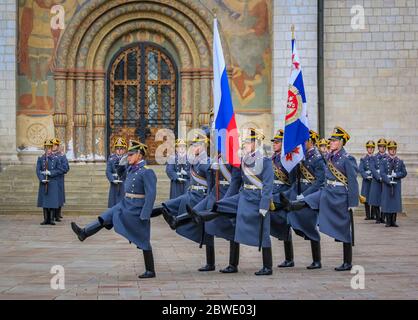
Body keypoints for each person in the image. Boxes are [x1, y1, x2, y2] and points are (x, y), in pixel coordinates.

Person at [70, 140, 158, 279]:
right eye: (127, 155)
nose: (128, 157)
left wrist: (145, 213)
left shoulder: (147, 172)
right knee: (106, 215)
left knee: (143, 239)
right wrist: (123, 163)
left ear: (139, 155)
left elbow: (151, 194)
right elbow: (121, 175)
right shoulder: (131, 168)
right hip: (125, 203)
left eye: (130, 155)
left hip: (136, 208)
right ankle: (84, 233)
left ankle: (150, 270)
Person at [283, 127, 359, 271]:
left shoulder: (347, 158)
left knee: (344, 229)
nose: (331, 142)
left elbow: (353, 181)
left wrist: (353, 202)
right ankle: (292, 205)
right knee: (311, 199)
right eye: (331, 140)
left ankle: (347, 262)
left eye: (334, 141)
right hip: (327, 190)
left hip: (340, 195)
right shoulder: (330, 156)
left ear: (341, 142)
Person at [154, 131, 215, 271]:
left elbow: (212, 186)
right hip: (190, 194)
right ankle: (157, 217)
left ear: (204, 145)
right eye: (192, 145)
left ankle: (210, 263)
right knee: (167, 206)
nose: (193, 148)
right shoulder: (195, 160)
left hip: (202, 197)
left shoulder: (207, 163)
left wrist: (210, 203)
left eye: (196, 145)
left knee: (207, 231)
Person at [280, 130, 325, 269]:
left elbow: (319, 181)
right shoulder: (300, 156)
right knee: (288, 223)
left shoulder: (317, 158)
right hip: (297, 195)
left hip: (310, 198)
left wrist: (306, 195)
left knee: (310, 227)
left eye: (304, 141)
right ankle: (289, 259)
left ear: (310, 141)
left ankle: (317, 260)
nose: (302, 143)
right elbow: (294, 177)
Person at [234, 128, 274, 275]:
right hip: (245, 197)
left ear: (255, 143)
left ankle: (267, 266)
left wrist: (264, 204)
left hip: (258, 198)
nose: (244, 144)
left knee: (263, 232)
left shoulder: (265, 160)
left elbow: (268, 185)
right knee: (237, 226)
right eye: (244, 142)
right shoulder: (245, 159)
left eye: (247, 142)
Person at [268, 130, 294, 268]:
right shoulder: (273, 158)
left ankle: (289, 258)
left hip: (282, 195)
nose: (274, 144)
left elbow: (292, 181)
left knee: (285, 226)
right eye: (274, 142)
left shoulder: (287, 159)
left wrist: (287, 196)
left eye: (277, 142)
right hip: (273, 193)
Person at [380, 141, 407, 227]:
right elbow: (382, 173)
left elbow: (404, 172)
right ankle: (388, 221)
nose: (393, 151)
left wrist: (396, 174)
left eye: (394, 149)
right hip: (387, 185)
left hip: (396, 185)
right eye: (391, 149)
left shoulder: (400, 161)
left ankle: (393, 221)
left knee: (395, 203)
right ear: (388, 150)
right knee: (387, 202)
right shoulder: (384, 161)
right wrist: (388, 179)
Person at [37, 139, 63, 226]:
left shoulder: (56, 159)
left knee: (52, 201)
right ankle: (45, 219)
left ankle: (51, 219)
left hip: (53, 182)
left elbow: (60, 170)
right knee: (45, 201)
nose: (47, 150)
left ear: (52, 149)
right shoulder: (41, 158)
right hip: (44, 182)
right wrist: (41, 178)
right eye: (46, 148)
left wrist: (50, 173)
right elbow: (38, 170)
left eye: (49, 148)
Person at [369, 138, 389, 224]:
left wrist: (384, 177)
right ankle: (377, 217)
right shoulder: (374, 157)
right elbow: (372, 168)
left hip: (384, 181)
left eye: (384, 146)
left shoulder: (388, 158)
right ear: (378, 147)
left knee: (384, 199)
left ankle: (383, 217)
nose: (382, 148)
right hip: (376, 181)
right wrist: (379, 177)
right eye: (381, 146)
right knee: (375, 199)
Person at [51, 138, 69, 221]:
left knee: (59, 197)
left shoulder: (62, 156)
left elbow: (66, 168)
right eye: (52, 145)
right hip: (51, 180)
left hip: (59, 179)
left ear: (57, 146)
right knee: (52, 197)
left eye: (55, 145)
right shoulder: (48, 156)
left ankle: (57, 214)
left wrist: (57, 171)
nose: (53, 146)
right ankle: (52, 214)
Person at [106, 137, 127, 208]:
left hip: (124, 182)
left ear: (124, 149)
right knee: (113, 203)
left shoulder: (128, 158)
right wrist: (112, 179)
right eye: (117, 148)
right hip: (114, 183)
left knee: (123, 203)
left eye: (121, 148)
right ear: (115, 149)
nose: (119, 150)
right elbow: (108, 171)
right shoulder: (111, 158)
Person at [359, 140, 375, 220]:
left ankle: (373, 215)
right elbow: (361, 169)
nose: (370, 149)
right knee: (366, 198)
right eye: (369, 148)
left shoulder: (376, 158)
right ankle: (368, 215)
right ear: (367, 149)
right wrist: (366, 175)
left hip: (374, 181)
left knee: (374, 197)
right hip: (366, 181)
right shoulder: (363, 159)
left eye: (372, 148)